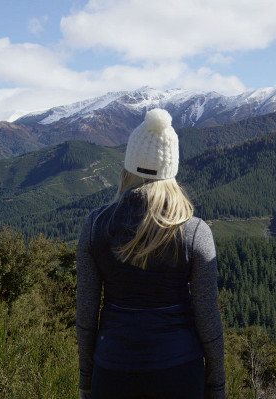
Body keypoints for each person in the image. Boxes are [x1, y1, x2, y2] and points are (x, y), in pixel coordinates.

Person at [76, 108, 225, 399]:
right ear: (171, 169)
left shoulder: (95, 225)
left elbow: (86, 314)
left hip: (112, 369)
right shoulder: (194, 231)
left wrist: (86, 381)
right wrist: (216, 384)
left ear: (129, 166)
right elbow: (208, 317)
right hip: (179, 371)